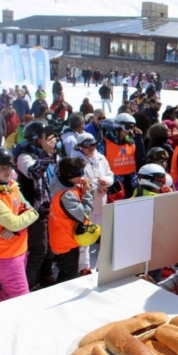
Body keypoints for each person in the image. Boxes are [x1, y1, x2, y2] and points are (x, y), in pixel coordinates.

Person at [0, 147, 39, 302]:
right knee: (21, 298)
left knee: (9, 294)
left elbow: (29, 212)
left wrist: (16, 228)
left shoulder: (11, 186)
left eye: (10, 167)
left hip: (17, 250)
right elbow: (18, 220)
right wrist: (17, 224)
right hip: (4, 256)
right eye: (2, 168)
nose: (8, 171)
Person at [14, 121, 57, 290]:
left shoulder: (43, 153)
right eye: (46, 137)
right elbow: (33, 173)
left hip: (49, 207)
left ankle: (45, 276)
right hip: (35, 211)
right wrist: (47, 154)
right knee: (39, 250)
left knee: (50, 247)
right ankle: (29, 284)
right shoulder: (24, 155)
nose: (50, 140)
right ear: (37, 139)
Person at [72, 132, 114, 274]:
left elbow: (110, 174)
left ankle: (102, 266)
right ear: (79, 147)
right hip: (86, 205)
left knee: (104, 236)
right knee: (84, 238)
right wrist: (97, 186)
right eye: (87, 145)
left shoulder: (101, 157)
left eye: (93, 144)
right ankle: (84, 268)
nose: (91, 148)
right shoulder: (76, 161)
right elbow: (79, 181)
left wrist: (107, 181)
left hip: (102, 203)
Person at [48, 157, 94, 283]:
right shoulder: (66, 195)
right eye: (80, 173)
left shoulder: (67, 186)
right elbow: (83, 214)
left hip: (66, 238)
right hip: (65, 243)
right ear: (70, 175)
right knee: (68, 277)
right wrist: (88, 193)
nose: (83, 176)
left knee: (68, 273)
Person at [96, 113, 144, 199]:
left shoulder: (131, 141)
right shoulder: (104, 144)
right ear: (118, 127)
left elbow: (140, 158)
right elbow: (98, 165)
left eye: (132, 127)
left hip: (131, 182)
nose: (130, 130)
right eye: (127, 127)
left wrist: (139, 139)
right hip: (115, 185)